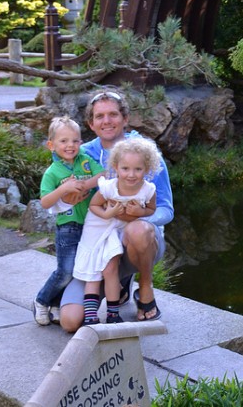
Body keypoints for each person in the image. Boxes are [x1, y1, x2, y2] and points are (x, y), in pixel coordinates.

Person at [57, 90, 173, 331]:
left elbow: (166, 210)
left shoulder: (146, 154)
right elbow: (61, 201)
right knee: (70, 321)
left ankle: (145, 286)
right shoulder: (81, 154)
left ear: (125, 118)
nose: (106, 121)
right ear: (91, 123)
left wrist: (136, 216)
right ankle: (116, 284)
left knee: (138, 230)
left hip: (136, 244)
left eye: (113, 114)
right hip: (98, 247)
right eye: (99, 116)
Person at [73, 138, 158, 324]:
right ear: (116, 167)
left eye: (138, 169)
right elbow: (94, 206)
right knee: (94, 269)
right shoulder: (109, 187)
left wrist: (140, 212)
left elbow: (151, 210)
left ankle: (113, 313)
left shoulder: (148, 189)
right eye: (125, 168)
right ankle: (90, 316)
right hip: (99, 227)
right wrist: (108, 213)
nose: (131, 174)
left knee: (110, 267)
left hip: (117, 231)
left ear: (147, 168)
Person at [33, 116, 103, 325]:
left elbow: (103, 175)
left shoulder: (85, 160)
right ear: (51, 145)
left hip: (90, 225)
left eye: (75, 140)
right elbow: (45, 202)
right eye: (63, 141)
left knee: (79, 269)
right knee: (66, 270)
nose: (70, 145)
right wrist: (63, 189)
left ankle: (56, 303)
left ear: (81, 142)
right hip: (68, 228)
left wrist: (85, 185)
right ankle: (41, 300)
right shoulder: (52, 172)